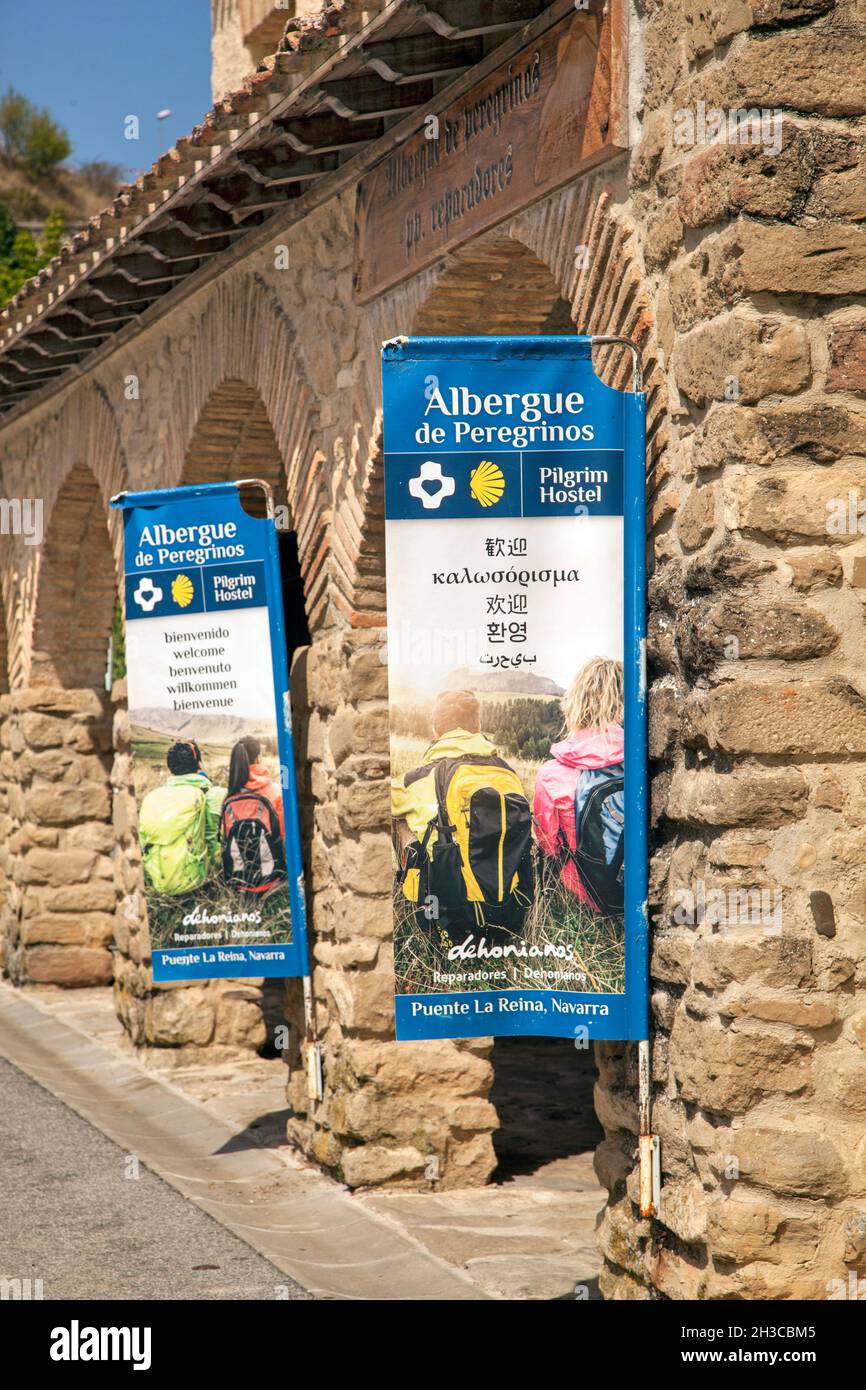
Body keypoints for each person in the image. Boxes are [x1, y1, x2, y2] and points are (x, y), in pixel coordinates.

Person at [391, 689, 533, 943]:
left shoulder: (419, 778)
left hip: (450, 917)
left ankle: (413, 893)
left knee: (399, 818)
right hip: (512, 911)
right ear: (478, 727)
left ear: (435, 731)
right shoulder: (507, 773)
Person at [533, 657, 625, 917]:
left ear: (575, 701)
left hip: (587, 897)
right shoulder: (642, 759)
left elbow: (549, 847)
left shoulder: (551, 775)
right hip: (641, 889)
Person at [138, 740, 226, 896]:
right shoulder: (216, 795)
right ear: (199, 764)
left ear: (170, 768)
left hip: (160, 880)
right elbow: (214, 842)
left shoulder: (153, 798)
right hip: (199, 880)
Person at [219, 736, 286, 893]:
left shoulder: (229, 799)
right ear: (258, 757)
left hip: (239, 882)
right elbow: (283, 835)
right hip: (272, 879)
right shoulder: (275, 791)